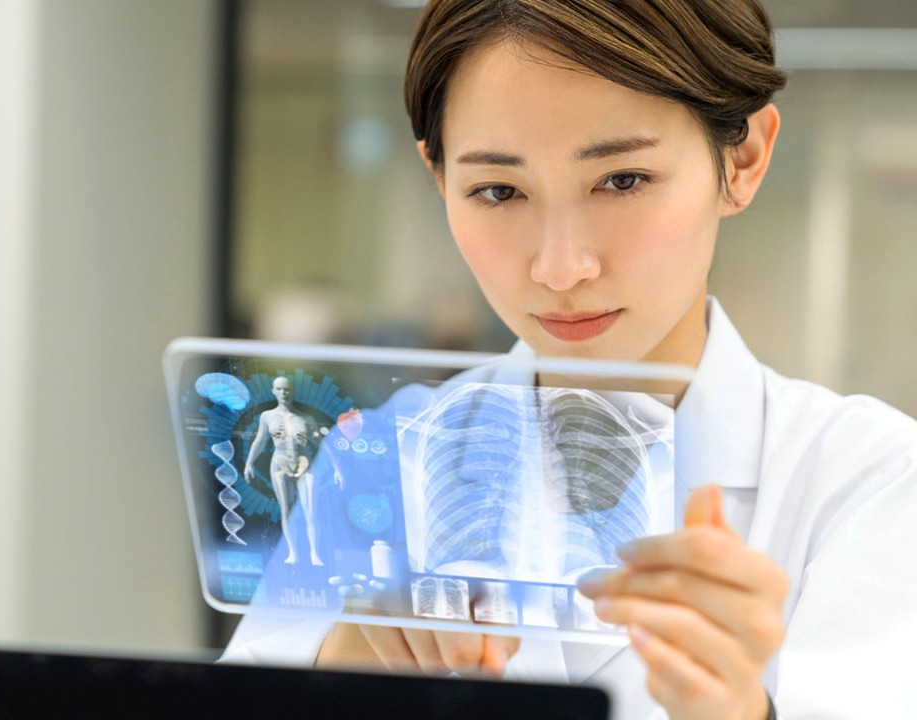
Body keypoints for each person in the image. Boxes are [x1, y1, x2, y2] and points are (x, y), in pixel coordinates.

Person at [220, 1, 917, 718]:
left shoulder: (869, 482)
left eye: (622, 180)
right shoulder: (379, 460)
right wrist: (348, 664)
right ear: (439, 177)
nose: (560, 268)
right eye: (498, 191)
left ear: (742, 159)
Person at [245, 376, 327, 566]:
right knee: (286, 509)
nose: (283, 393)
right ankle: (293, 553)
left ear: (293, 391)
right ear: (273, 391)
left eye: (287, 389)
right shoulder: (267, 416)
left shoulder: (306, 418)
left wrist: (337, 468)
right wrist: (249, 463)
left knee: (311, 511)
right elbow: (260, 440)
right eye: (279, 389)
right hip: (280, 463)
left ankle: (315, 553)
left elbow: (322, 443)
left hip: (304, 463)